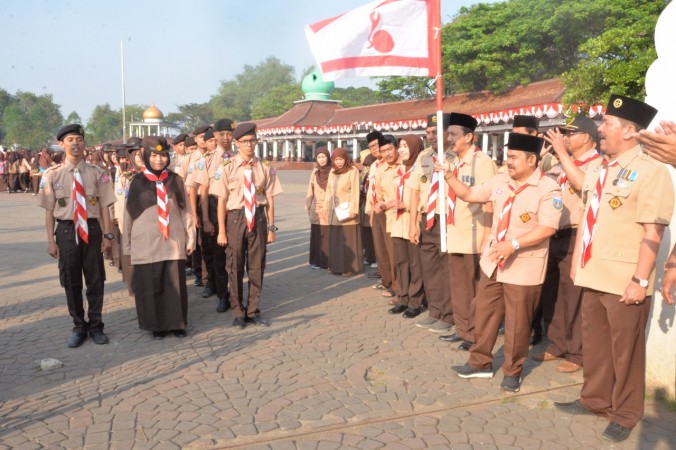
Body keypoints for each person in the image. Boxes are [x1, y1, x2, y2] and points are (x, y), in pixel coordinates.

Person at [555, 95, 674, 443]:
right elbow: (589, 211)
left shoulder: (651, 171)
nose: (600, 129)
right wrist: (579, 263)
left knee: (627, 353)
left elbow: (653, 229)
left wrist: (640, 279)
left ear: (630, 130)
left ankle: (626, 413)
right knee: (596, 345)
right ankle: (594, 399)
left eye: (607, 123)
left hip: (625, 279)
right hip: (593, 272)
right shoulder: (599, 168)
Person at [444, 132, 562, 393]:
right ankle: (480, 363)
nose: (508, 162)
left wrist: (514, 244)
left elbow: (547, 228)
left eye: (513, 158)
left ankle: (513, 371)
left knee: (518, 323)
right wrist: (449, 176)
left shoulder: (548, 189)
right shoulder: (501, 182)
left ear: (532, 160)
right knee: (484, 314)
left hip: (523, 265)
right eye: (507, 157)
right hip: (494, 262)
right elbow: (470, 194)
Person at [37, 124, 116, 348]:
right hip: (66, 230)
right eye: (70, 140)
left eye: (79, 139)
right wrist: (51, 240)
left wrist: (108, 234)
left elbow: (104, 208)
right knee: (71, 281)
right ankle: (79, 326)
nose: (75, 143)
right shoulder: (53, 175)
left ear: (84, 143)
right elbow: (49, 211)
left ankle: (96, 326)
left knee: (95, 279)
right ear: (62, 144)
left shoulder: (97, 173)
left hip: (92, 229)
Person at [532, 116, 600, 373]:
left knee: (574, 296)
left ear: (587, 137)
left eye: (572, 134)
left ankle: (577, 351)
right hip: (554, 233)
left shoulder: (597, 164)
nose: (566, 138)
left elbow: (583, 185)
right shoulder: (563, 163)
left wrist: (561, 153)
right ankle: (557, 343)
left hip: (576, 236)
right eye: (565, 134)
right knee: (553, 293)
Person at [124, 136, 195, 340]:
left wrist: (191, 238)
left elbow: (186, 211)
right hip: (145, 241)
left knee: (175, 283)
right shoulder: (136, 182)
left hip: (173, 238)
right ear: (145, 156)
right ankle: (156, 326)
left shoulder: (175, 180)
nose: (158, 160)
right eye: (154, 155)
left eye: (163, 155)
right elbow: (127, 214)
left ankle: (177, 323)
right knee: (150, 283)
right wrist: (127, 245)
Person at [213, 122, 282, 329]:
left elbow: (269, 199)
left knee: (257, 265)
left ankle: (253, 311)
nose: (249, 145)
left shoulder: (265, 167)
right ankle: (238, 311)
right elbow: (221, 202)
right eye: (245, 142)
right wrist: (222, 232)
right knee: (235, 265)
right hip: (236, 218)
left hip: (258, 218)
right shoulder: (227, 167)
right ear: (236, 143)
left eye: (253, 140)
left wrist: (271, 228)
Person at [436, 113, 496, 349]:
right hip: (455, 232)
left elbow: (490, 200)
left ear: (469, 137)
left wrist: (487, 236)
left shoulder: (482, 162)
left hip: (474, 233)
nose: (449, 139)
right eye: (449, 134)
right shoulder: (452, 161)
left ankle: (475, 333)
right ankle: (462, 329)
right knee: (459, 287)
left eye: (454, 134)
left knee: (473, 289)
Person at [408, 113, 454, 333]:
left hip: (448, 219)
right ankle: (435, 311)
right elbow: (415, 191)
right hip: (427, 219)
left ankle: (449, 314)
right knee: (430, 267)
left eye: (435, 132)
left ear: (448, 132)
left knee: (447, 268)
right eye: (428, 133)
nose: (431, 137)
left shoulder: (455, 157)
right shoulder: (424, 157)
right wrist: (411, 224)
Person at [380, 135, 425, 318]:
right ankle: (403, 297)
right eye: (401, 146)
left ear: (415, 147)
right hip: (397, 221)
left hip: (413, 220)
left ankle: (415, 301)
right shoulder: (400, 169)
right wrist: (387, 204)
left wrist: (405, 204)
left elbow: (425, 195)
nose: (403, 150)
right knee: (401, 262)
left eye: (406, 146)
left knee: (416, 263)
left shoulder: (421, 169)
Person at [191, 121, 234, 313]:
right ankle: (221, 294)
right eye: (222, 134)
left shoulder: (238, 156)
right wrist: (205, 219)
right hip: (213, 207)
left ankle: (234, 292)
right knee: (216, 254)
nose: (226, 137)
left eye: (229, 134)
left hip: (234, 209)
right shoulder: (207, 160)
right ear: (214, 135)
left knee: (234, 255)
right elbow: (203, 191)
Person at [366, 132, 398, 298]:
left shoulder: (398, 166)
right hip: (377, 209)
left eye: (376, 146)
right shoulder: (375, 166)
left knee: (392, 249)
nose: (375, 150)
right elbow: (374, 192)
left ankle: (396, 284)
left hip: (392, 210)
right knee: (381, 249)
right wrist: (372, 212)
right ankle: (387, 280)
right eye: (371, 147)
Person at [324, 147, 362, 276]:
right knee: (336, 239)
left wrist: (354, 209)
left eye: (341, 159)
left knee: (348, 239)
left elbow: (356, 191)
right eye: (336, 159)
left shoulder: (353, 171)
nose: (338, 162)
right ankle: (336, 266)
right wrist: (325, 206)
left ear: (346, 159)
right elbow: (329, 190)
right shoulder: (333, 172)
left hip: (348, 211)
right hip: (335, 211)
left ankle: (348, 267)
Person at [306, 147, 331, 269]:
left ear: (328, 157)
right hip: (315, 207)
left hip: (327, 206)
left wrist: (327, 204)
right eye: (319, 157)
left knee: (327, 234)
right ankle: (316, 261)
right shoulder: (315, 171)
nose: (321, 160)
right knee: (316, 235)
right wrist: (308, 204)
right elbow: (310, 189)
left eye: (324, 157)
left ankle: (327, 261)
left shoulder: (332, 171)